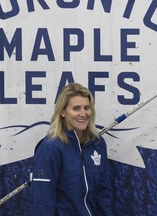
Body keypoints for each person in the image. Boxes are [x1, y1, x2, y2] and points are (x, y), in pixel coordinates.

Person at [31, 83, 114, 216]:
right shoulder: (50, 148)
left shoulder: (97, 143)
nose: (83, 114)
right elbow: (43, 202)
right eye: (76, 108)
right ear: (63, 111)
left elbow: (103, 193)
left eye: (87, 108)